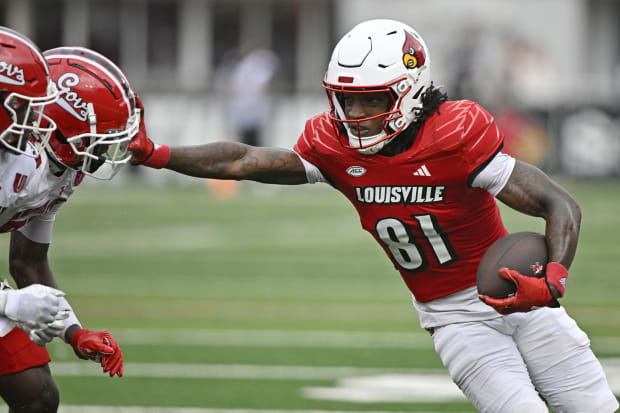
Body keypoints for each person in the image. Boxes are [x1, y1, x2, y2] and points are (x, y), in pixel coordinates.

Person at [129, 19, 618, 412]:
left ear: (410, 91)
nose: (354, 113)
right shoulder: (333, 146)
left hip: (523, 298)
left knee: (592, 406)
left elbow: (559, 203)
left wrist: (553, 277)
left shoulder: (456, 134)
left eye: (370, 99)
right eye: (347, 98)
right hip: (454, 322)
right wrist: (157, 153)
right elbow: (242, 160)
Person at [0, 35, 138, 411]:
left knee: (38, 394)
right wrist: (9, 301)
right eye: (101, 138)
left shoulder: (59, 169)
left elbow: (27, 260)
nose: (106, 149)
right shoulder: (12, 164)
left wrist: (73, 332)